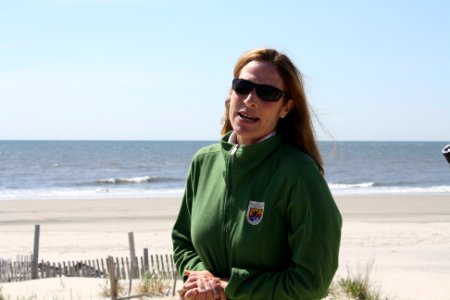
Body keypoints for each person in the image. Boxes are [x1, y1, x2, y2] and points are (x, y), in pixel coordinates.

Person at [172, 48, 342, 300]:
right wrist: (203, 278)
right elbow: (183, 240)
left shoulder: (298, 173)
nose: (251, 99)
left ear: (285, 108)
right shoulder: (203, 162)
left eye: (268, 94)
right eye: (242, 86)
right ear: (230, 95)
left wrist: (229, 286)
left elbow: (311, 282)